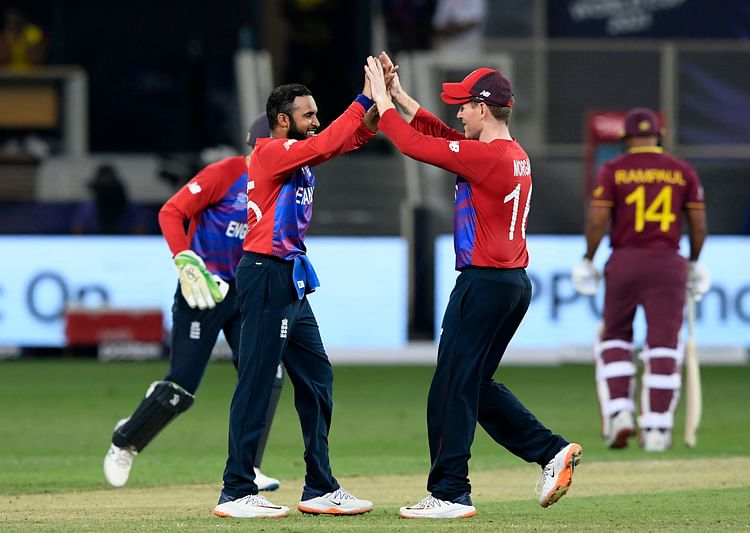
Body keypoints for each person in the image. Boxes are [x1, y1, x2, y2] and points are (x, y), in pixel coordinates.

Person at [363, 53, 583, 520]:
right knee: (474, 385)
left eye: (463, 105)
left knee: (450, 388)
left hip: (483, 284)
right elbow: (441, 138)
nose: (457, 113)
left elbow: (414, 146)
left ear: (483, 109)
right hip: (512, 284)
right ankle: (551, 452)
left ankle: (449, 493)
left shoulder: (485, 157)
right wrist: (401, 97)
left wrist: (380, 101)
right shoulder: (510, 153)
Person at [212, 73, 388, 519]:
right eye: (307, 114)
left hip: (289, 277)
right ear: (281, 121)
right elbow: (327, 143)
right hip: (266, 273)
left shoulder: (297, 156)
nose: (316, 119)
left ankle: (319, 486)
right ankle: (236, 490)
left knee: (316, 378)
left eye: (316, 113)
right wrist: (362, 95)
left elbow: (342, 141)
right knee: (256, 379)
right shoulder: (270, 152)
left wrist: (372, 112)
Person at [103, 114, 282, 491]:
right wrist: (185, 260)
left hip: (246, 291)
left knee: (269, 375)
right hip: (203, 290)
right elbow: (171, 211)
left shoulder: (285, 185)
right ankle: (125, 441)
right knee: (181, 389)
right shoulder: (226, 173)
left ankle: (248, 467)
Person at [571, 107, 709, 452]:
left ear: (625, 139)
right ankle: (658, 429)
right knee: (663, 343)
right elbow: (699, 226)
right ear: (659, 136)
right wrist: (693, 261)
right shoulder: (682, 172)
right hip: (667, 263)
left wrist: (588, 258)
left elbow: (597, 221)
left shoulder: (614, 170)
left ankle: (619, 412)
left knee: (616, 337)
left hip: (625, 261)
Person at [71, 164, 149, 235]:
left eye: (110, 189)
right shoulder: (87, 209)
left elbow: (141, 235)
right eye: (103, 189)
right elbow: (77, 234)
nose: (107, 194)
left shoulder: (132, 209)